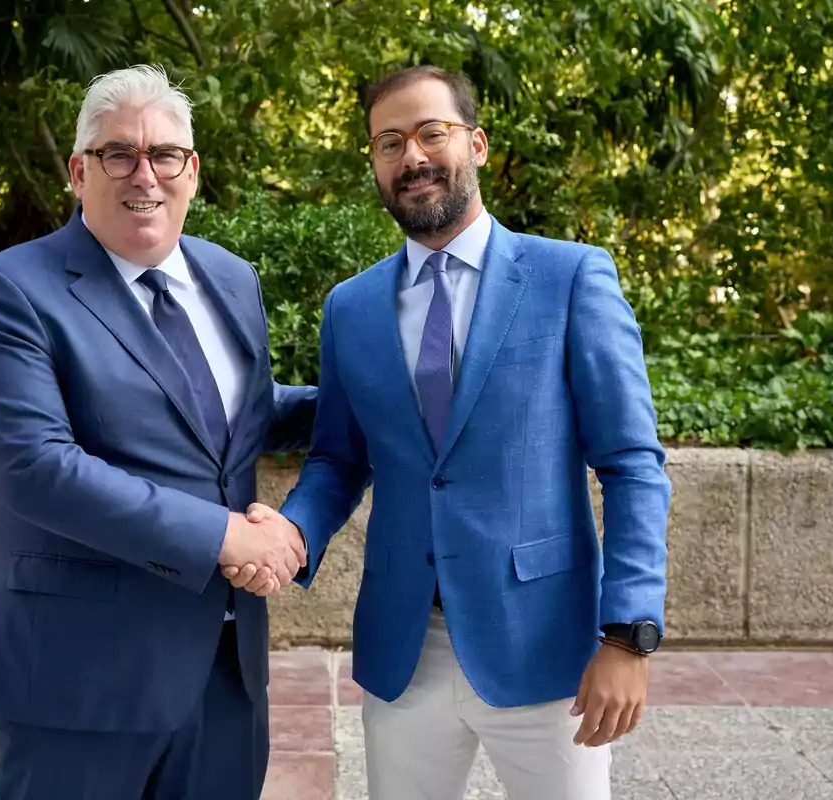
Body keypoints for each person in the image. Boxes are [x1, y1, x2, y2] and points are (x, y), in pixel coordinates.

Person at [225, 65, 671, 800]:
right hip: (406, 651)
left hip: (545, 648)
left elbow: (632, 465)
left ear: (479, 144)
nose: (413, 158)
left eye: (433, 133)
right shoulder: (352, 308)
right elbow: (339, 456)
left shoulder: (571, 278)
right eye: (389, 142)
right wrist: (295, 535)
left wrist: (628, 635)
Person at [0, 64, 314, 800]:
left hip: (223, 668)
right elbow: (36, 468)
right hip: (76, 677)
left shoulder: (231, 277)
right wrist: (226, 536)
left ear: (193, 171)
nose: (144, 174)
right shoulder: (9, 290)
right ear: (81, 171)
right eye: (120, 154)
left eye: (164, 155)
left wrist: (379, 399)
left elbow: (235, 417)